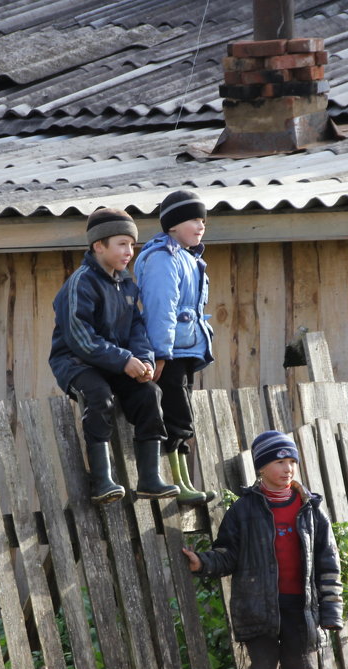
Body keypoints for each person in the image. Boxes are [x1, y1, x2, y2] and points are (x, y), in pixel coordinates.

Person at [182, 430, 343, 669]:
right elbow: (228, 554)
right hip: (257, 608)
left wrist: (331, 610)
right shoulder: (244, 511)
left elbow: (329, 563)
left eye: (292, 462)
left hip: (301, 610)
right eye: (279, 462)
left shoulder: (312, 510)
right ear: (261, 468)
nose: (288, 469)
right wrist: (204, 562)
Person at [49, 207, 179, 504]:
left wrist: (144, 360)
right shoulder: (81, 283)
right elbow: (80, 338)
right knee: (99, 396)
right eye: (122, 243)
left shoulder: (127, 284)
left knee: (149, 394)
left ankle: (149, 479)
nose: (129, 252)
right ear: (98, 245)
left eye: (132, 245)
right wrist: (124, 360)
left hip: (116, 364)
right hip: (76, 363)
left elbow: (137, 328)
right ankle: (102, 481)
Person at [134, 189, 214, 504]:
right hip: (169, 352)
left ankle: (183, 480)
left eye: (203, 219)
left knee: (181, 416)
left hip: (185, 350)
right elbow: (160, 307)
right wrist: (161, 354)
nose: (200, 225)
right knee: (174, 416)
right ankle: (177, 484)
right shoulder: (162, 257)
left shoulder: (188, 257)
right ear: (172, 225)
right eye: (193, 218)